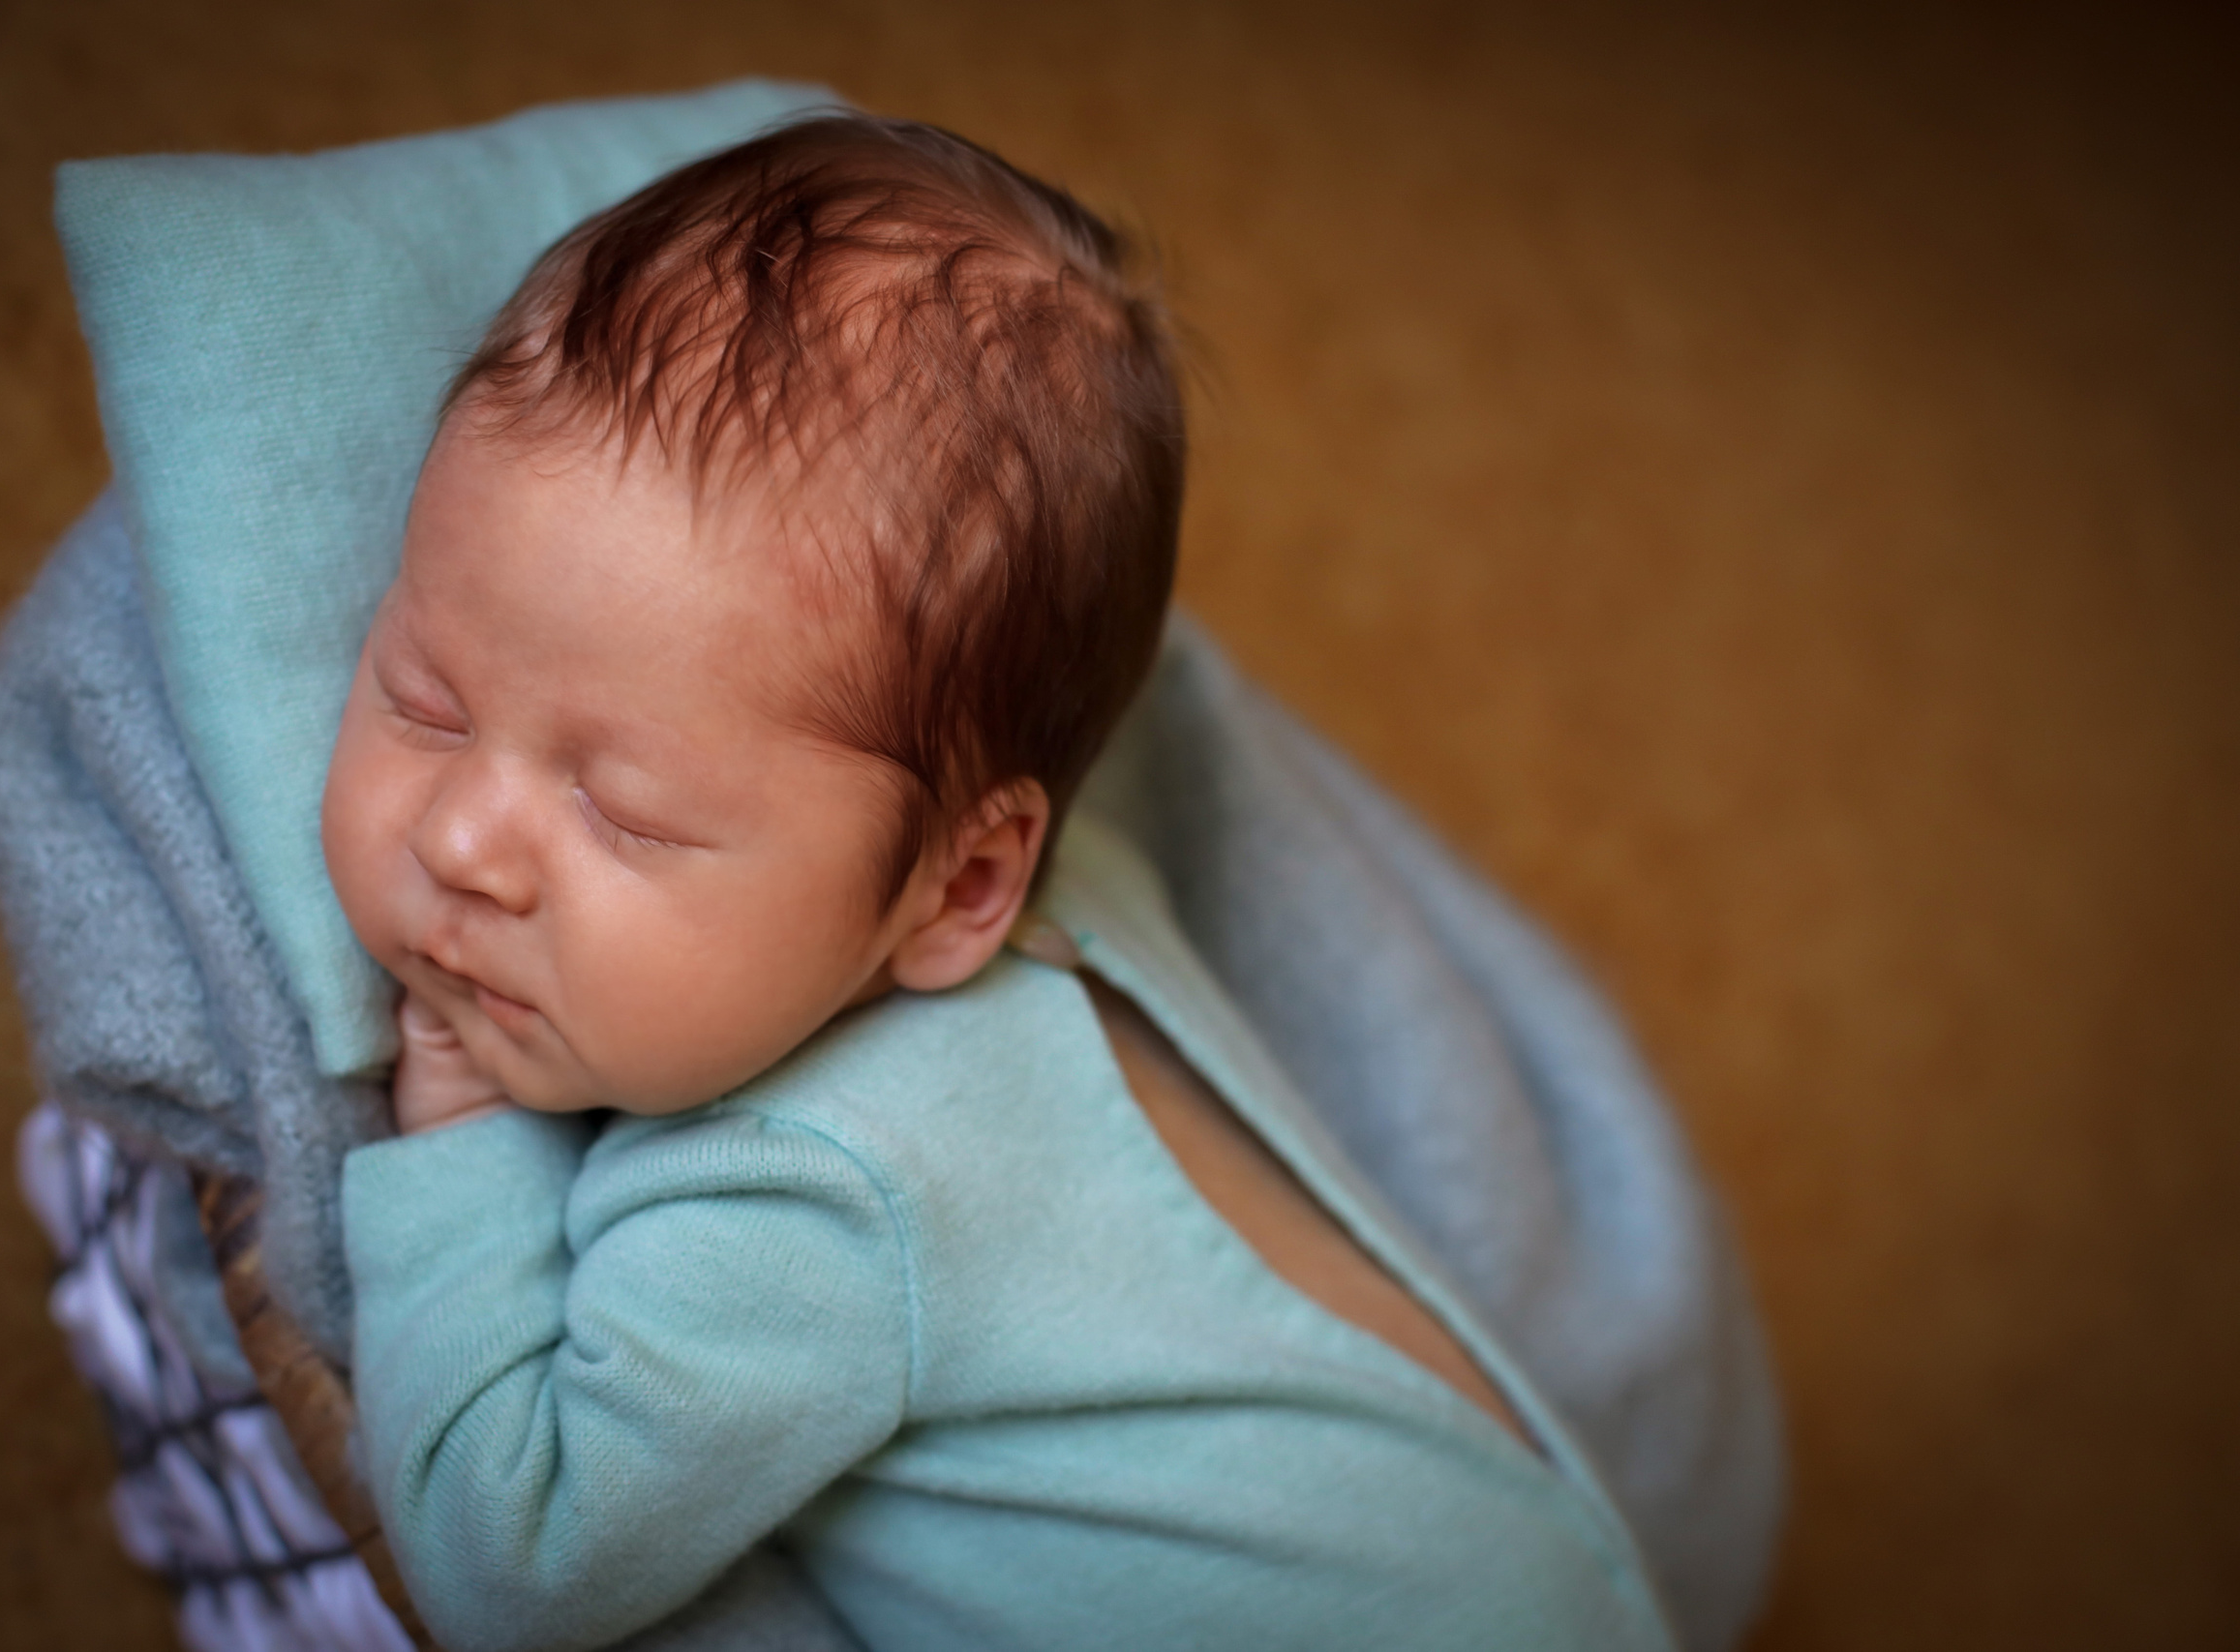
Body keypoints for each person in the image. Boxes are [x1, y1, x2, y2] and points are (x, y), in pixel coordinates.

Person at [319, 112, 1678, 1652]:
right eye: (423, 698)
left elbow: (507, 1566)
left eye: (626, 816)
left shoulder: (807, 1198)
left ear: (965, 887)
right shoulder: (1026, 879)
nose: (460, 842)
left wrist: (461, 1139)